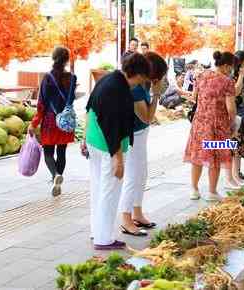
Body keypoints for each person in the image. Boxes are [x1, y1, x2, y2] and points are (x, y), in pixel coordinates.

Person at [84, 53, 149, 250]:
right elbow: (114, 127)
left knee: (98, 189)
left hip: (94, 141)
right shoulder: (118, 90)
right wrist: (118, 159)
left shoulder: (107, 79)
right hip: (107, 147)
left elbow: (89, 108)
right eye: (142, 78)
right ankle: (104, 239)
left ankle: (97, 231)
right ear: (136, 74)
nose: (142, 82)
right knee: (109, 192)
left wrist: (84, 138)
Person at [118, 52, 168, 237]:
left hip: (140, 135)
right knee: (133, 176)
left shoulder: (142, 86)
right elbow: (147, 117)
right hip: (134, 137)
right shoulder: (137, 89)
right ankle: (126, 218)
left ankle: (137, 212)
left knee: (142, 174)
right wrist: (156, 95)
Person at [184, 51, 237, 201]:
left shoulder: (201, 76)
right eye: (231, 67)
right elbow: (231, 108)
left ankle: (194, 189)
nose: (231, 70)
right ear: (226, 66)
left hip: (199, 122)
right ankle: (212, 192)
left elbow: (194, 97)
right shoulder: (227, 82)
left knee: (197, 155)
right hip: (217, 124)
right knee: (215, 156)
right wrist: (233, 123)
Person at [29, 47, 77, 197]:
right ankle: (57, 179)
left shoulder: (48, 77)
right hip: (65, 120)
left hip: (50, 120)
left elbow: (41, 104)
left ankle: (55, 175)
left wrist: (34, 123)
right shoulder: (72, 77)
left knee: (48, 153)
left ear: (53, 58)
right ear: (66, 60)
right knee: (61, 152)